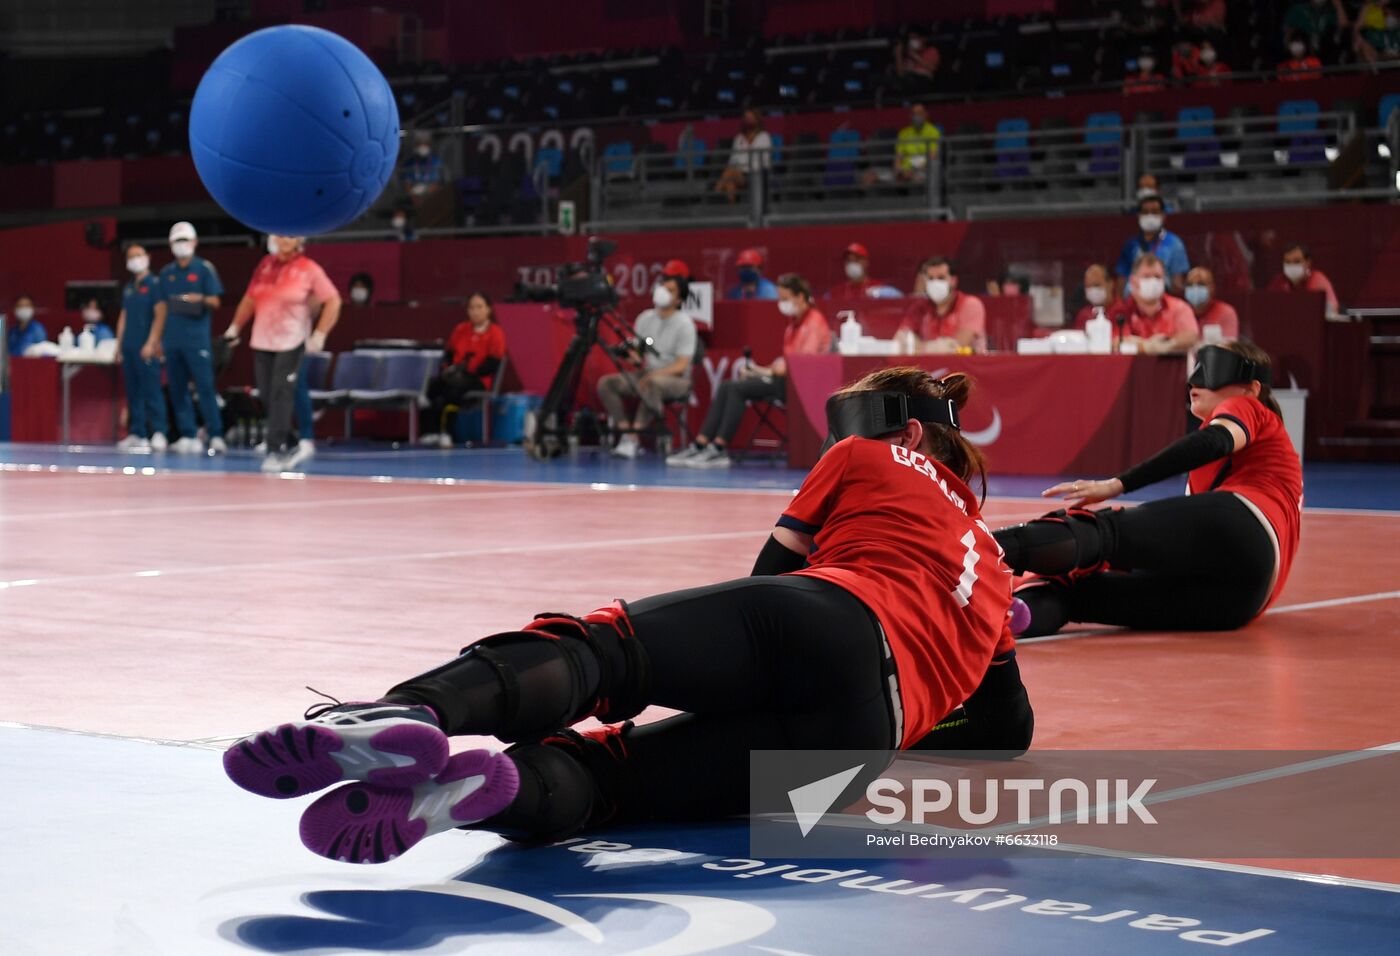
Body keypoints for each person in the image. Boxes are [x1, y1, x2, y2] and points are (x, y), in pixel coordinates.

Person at [222, 367, 1031, 863]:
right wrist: (921, 709)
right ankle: (497, 795)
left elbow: (772, 576)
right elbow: (1006, 732)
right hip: (861, 747)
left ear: (910, 432)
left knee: (606, 656)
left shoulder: (867, 453)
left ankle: (407, 713)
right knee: (620, 784)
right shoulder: (994, 563)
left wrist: (711, 658)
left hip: (832, 616)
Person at [995, 341, 1302, 639]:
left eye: (1213, 369)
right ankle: (1011, 618)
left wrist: (1117, 484)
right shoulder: (1261, 458)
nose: (1195, 380)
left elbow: (1215, 441)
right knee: (1081, 594)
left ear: (1252, 389)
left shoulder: (1250, 408)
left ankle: (970, 550)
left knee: (1100, 533)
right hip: (1240, 603)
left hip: (1246, 527)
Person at [668, 273, 832, 469]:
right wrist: (758, 371)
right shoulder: (793, 325)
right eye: (780, 299)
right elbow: (784, 364)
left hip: (800, 389)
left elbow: (801, 365)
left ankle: (719, 448)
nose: (781, 303)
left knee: (737, 389)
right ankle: (701, 444)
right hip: (785, 381)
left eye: (785, 299)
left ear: (801, 297)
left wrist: (765, 372)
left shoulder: (813, 323)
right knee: (727, 386)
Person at [224, 234, 341, 472]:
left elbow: (333, 300)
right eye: (280, 235)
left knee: (281, 393)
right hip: (263, 339)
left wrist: (320, 334)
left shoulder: (309, 269)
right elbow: (249, 298)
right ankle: (292, 442)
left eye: (290, 236)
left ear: (300, 240)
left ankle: (275, 450)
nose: (284, 240)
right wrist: (235, 326)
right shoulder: (265, 265)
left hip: (291, 341)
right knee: (267, 395)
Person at [597, 269, 698, 460]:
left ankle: (633, 439)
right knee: (607, 383)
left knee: (651, 384)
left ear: (678, 300)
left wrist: (654, 375)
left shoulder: (685, 324)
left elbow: (681, 366)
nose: (663, 291)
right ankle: (625, 431)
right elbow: (639, 354)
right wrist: (627, 355)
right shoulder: (645, 318)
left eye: (670, 290)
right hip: (646, 374)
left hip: (676, 380)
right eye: (662, 287)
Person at [159, 221, 227, 455]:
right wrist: (158, 339)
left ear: (194, 243)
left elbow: (216, 301)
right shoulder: (166, 273)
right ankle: (188, 434)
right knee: (177, 389)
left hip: (197, 341)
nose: (181, 245)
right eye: (177, 241)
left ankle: (216, 434)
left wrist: (198, 299)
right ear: (170, 244)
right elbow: (162, 308)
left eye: (185, 240)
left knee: (205, 387)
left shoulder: (204, 269)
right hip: (172, 340)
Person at [421, 292, 508, 449]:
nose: (475, 311)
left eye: (479, 307)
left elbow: (493, 362)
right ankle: (430, 431)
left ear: (488, 309)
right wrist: (449, 369)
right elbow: (449, 355)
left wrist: (470, 371)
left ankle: (447, 433)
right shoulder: (461, 329)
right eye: (471, 307)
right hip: (454, 376)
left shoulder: (496, 333)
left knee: (454, 388)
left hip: (479, 380)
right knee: (433, 385)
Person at [115, 245, 169, 451]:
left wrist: (152, 342)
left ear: (147, 257)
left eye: (138, 255)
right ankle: (137, 432)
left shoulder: (155, 284)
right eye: (130, 257)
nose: (135, 259)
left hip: (146, 346)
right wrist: (119, 345)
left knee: (152, 390)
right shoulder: (129, 287)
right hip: (129, 345)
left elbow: (160, 314)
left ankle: (159, 432)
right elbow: (124, 316)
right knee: (132, 391)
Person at [1107, 254, 1199, 354]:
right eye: (1146, 276)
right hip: (1133, 367)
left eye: (1157, 276)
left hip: (1170, 368)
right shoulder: (1120, 311)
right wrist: (1146, 346)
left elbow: (1191, 336)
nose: (1153, 281)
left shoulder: (1179, 308)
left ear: (1164, 280)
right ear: (1133, 281)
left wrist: (1170, 344)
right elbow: (1116, 342)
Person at [901, 256, 987, 353]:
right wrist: (933, 347)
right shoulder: (919, 307)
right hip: (927, 366)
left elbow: (959, 345)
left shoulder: (971, 305)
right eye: (931, 278)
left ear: (953, 280)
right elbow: (901, 339)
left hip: (964, 366)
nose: (935, 283)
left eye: (941, 278)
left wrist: (919, 347)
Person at [1114, 194, 1190, 298]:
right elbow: (1121, 282)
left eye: (1154, 212)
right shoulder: (1130, 245)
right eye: (1145, 212)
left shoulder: (1174, 244)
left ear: (1163, 216)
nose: (1150, 215)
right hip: (1133, 303)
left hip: (1163, 302)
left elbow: (1177, 284)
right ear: (1139, 216)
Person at [714, 109, 773, 203]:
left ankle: (715, 193)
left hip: (757, 172)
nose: (748, 120)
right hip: (740, 172)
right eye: (746, 118)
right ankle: (732, 210)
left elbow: (764, 159)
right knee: (730, 183)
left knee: (729, 174)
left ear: (757, 120)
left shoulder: (764, 137)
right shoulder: (739, 138)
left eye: (750, 118)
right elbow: (733, 159)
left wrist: (744, 162)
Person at [1268, 242, 1340, 317]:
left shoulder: (1317, 279)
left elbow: (1332, 310)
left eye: (1297, 261)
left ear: (1308, 263)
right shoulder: (1279, 281)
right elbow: (1267, 307)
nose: (1292, 266)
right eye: (1287, 262)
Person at [1183, 266, 1239, 340]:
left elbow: (1229, 346)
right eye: (1190, 285)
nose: (1195, 289)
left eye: (1201, 284)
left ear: (1212, 288)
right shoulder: (1181, 312)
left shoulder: (1225, 312)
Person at [1072, 263, 1112, 329]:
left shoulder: (1124, 310)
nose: (1093, 290)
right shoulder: (1083, 315)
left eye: (1096, 285)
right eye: (1088, 286)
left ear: (1110, 284)